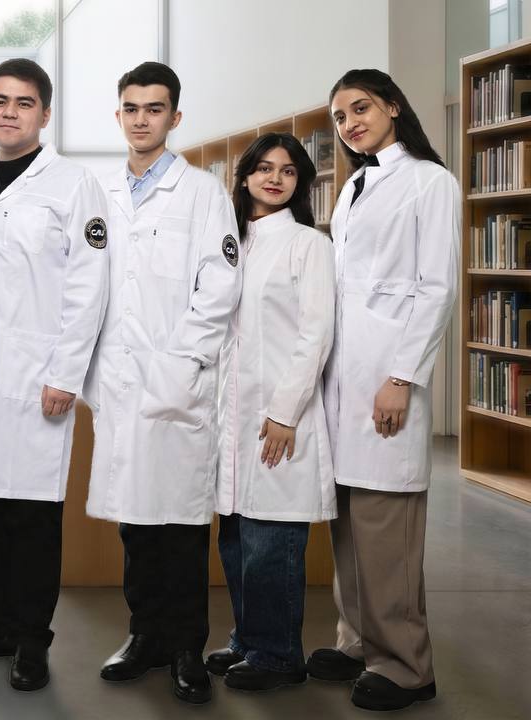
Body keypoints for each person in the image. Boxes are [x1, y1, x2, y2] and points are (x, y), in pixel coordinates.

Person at [0, 58, 108, 693]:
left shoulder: (74, 186)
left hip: (39, 377)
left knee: (31, 516)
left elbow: (89, 287)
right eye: (0, 101)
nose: (10, 112)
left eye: (24, 102)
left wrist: (66, 373)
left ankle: (32, 638)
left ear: (45, 114)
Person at [85, 61, 241, 705]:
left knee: (179, 525)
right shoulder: (98, 192)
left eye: (154, 109)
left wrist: (179, 365)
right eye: (131, 108)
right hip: (119, 381)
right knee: (135, 521)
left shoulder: (203, 192)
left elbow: (220, 287)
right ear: (118, 115)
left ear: (175, 117)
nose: (141, 119)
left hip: (178, 381)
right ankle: (144, 635)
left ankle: (185, 649)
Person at [306, 69, 457, 712]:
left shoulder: (429, 180)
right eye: (340, 117)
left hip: (387, 378)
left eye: (360, 108)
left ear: (394, 106)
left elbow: (437, 287)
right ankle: (358, 641)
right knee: (348, 521)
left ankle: (406, 664)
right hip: (344, 378)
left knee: (386, 526)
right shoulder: (353, 187)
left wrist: (401, 377)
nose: (350, 124)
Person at [206, 132, 335, 692]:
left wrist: (285, 412)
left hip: (279, 415)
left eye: (287, 170)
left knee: (271, 540)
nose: (275, 178)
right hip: (230, 415)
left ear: (300, 182)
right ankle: (247, 639)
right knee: (235, 537)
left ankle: (279, 655)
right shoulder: (231, 242)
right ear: (245, 177)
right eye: (264, 168)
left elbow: (316, 334)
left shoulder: (308, 244)